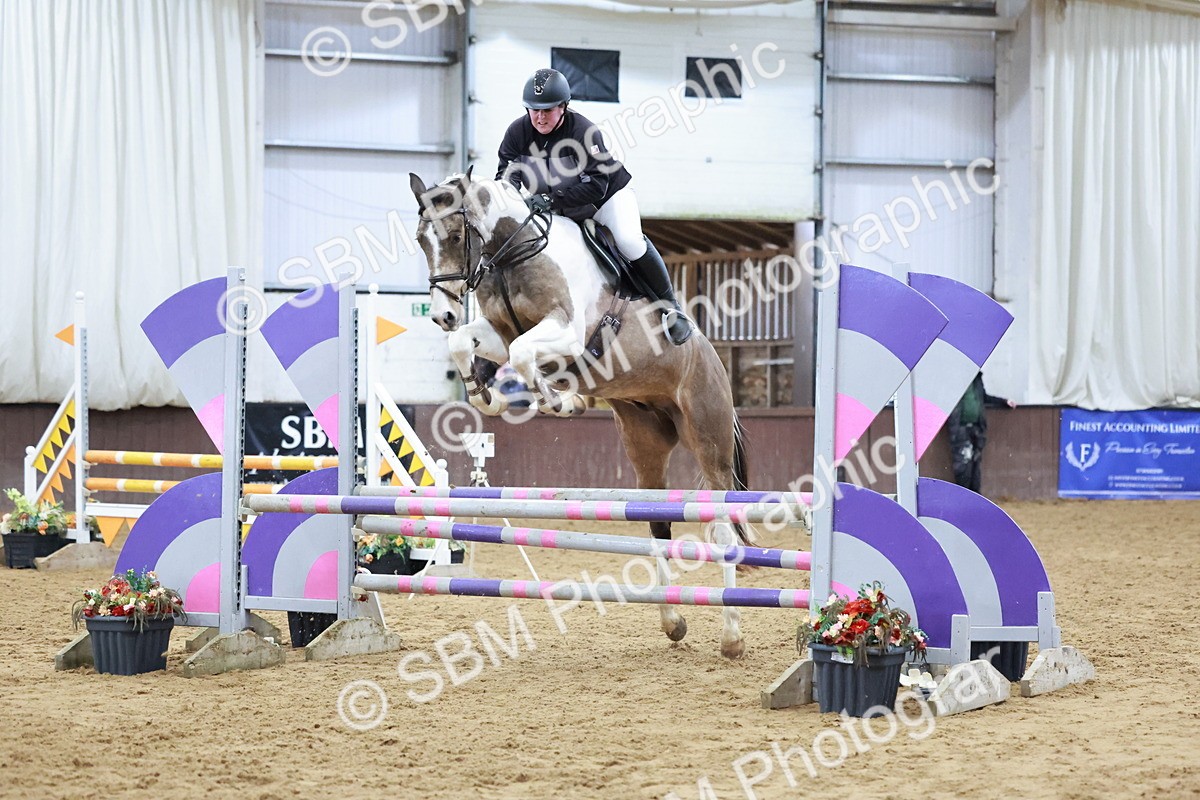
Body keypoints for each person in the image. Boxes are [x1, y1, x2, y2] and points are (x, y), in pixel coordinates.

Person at [495, 68, 692, 345]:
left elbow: (597, 185)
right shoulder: (517, 132)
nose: (539, 117)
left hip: (606, 200)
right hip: (562, 211)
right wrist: (512, 196)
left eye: (548, 110)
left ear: (564, 107)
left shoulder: (584, 131)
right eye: (533, 110)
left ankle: (671, 308)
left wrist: (551, 200)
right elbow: (506, 174)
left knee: (629, 241)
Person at [947, 372, 1018, 493]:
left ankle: (974, 497)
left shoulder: (976, 379)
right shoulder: (954, 379)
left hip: (976, 428)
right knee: (963, 465)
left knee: (975, 465)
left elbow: (983, 397)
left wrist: (1004, 401)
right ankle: (964, 497)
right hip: (961, 429)